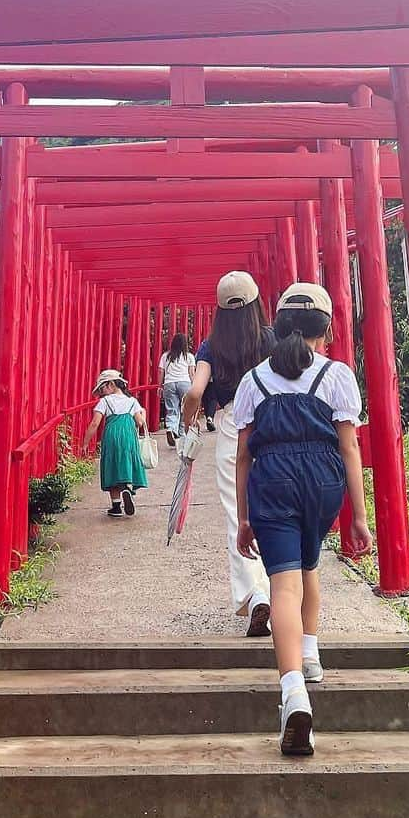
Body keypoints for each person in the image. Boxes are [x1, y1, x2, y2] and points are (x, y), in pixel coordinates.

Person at [233, 282, 373, 756]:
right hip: (322, 481)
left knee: (284, 584)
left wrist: (244, 518)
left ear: (278, 327)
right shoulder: (337, 375)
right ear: (325, 330)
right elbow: (349, 446)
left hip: (271, 479)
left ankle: (293, 693)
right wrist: (359, 517)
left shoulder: (253, 381)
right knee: (309, 566)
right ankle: (310, 655)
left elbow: (242, 455)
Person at [181, 271, 277, 636]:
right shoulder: (272, 339)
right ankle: (280, 588)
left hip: (233, 424)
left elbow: (194, 393)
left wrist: (188, 421)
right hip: (271, 422)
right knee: (275, 509)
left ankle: (254, 595)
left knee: (239, 516)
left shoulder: (211, 346)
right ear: (256, 303)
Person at [84, 369, 149, 518]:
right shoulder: (132, 401)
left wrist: (85, 443)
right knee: (126, 459)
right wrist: (143, 412)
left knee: (112, 464)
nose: (101, 392)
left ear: (111, 384)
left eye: (102, 388)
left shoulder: (105, 401)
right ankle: (126, 487)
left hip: (111, 434)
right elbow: (140, 422)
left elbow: (95, 424)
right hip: (128, 435)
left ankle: (116, 506)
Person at [158, 332, 196, 448]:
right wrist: (194, 388)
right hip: (184, 382)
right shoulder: (188, 356)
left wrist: (160, 386)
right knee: (185, 410)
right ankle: (181, 435)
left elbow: (160, 371)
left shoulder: (166, 356)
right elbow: (192, 373)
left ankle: (170, 428)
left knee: (172, 408)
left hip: (169, 383)